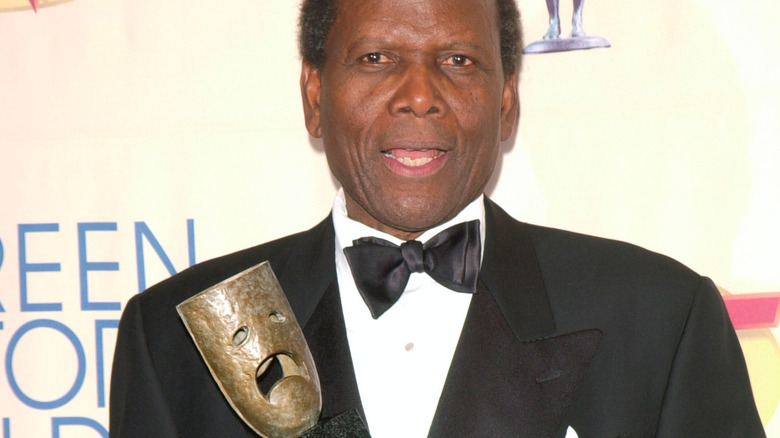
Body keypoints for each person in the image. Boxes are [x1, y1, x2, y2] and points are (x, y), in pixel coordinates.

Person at [109, 0, 765, 436]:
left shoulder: (658, 320)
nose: (420, 95)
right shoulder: (180, 337)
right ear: (315, 96)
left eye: (458, 61)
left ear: (507, 100)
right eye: (376, 59)